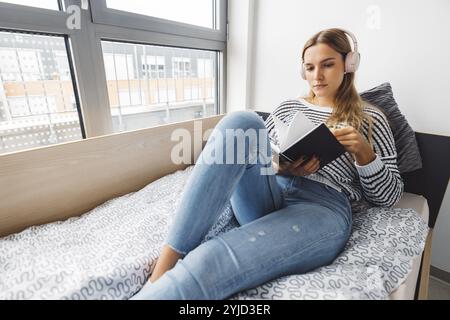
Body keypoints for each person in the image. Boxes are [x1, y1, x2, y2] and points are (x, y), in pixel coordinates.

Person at [131, 28, 403, 300]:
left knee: (208, 260)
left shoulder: (370, 118)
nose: (316, 76)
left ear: (349, 64)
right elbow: (261, 155)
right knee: (243, 122)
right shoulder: (288, 108)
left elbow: (388, 198)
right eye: (309, 67)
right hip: (271, 190)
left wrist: (365, 156)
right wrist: (282, 167)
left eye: (328, 65)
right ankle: (165, 264)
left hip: (321, 207)